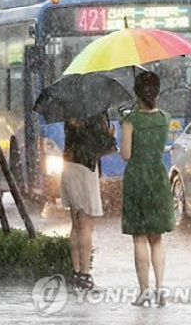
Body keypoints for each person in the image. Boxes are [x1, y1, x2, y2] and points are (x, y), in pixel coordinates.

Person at [120, 71, 175, 307]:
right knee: (157, 239)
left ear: (136, 93)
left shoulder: (131, 120)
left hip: (137, 179)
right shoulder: (165, 117)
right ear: (157, 92)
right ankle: (161, 288)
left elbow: (126, 155)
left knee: (139, 239)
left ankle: (144, 292)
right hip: (158, 178)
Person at [61, 112, 116, 291]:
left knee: (76, 223)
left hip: (68, 166)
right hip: (86, 168)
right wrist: (111, 136)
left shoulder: (69, 112)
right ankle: (85, 275)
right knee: (86, 225)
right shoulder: (95, 114)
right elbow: (102, 147)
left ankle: (76, 272)